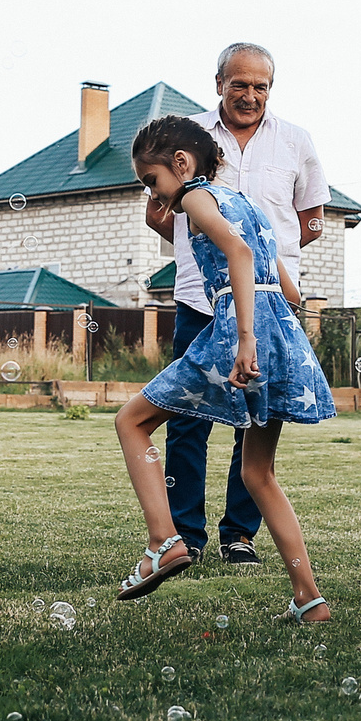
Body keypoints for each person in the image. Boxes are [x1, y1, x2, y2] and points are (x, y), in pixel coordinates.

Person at [113, 114, 335, 621]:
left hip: (237, 331)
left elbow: (234, 251)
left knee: (131, 421)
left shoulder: (194, 197)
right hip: (282, 330)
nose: (154, 193)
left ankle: (162, 542)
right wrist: (278, 330)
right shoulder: (247, 204)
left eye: (152, 181)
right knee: (259, 472)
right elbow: (282, 278)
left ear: (182, 163)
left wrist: (244, 336)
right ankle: (309, 599)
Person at [141, 43, 329, 569]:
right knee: (185, 419)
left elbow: (311, 219)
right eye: (239, 84)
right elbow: (157, 213)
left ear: (272, 87)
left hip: (265, 304)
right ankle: (186, 536)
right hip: (201, 299)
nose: (250, 95)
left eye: (260, 86)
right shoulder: (184, 140)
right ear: (219, 82)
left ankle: (239, 536)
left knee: (255, 419)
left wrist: (271, 267)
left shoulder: (296, 141)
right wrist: (198, 247)